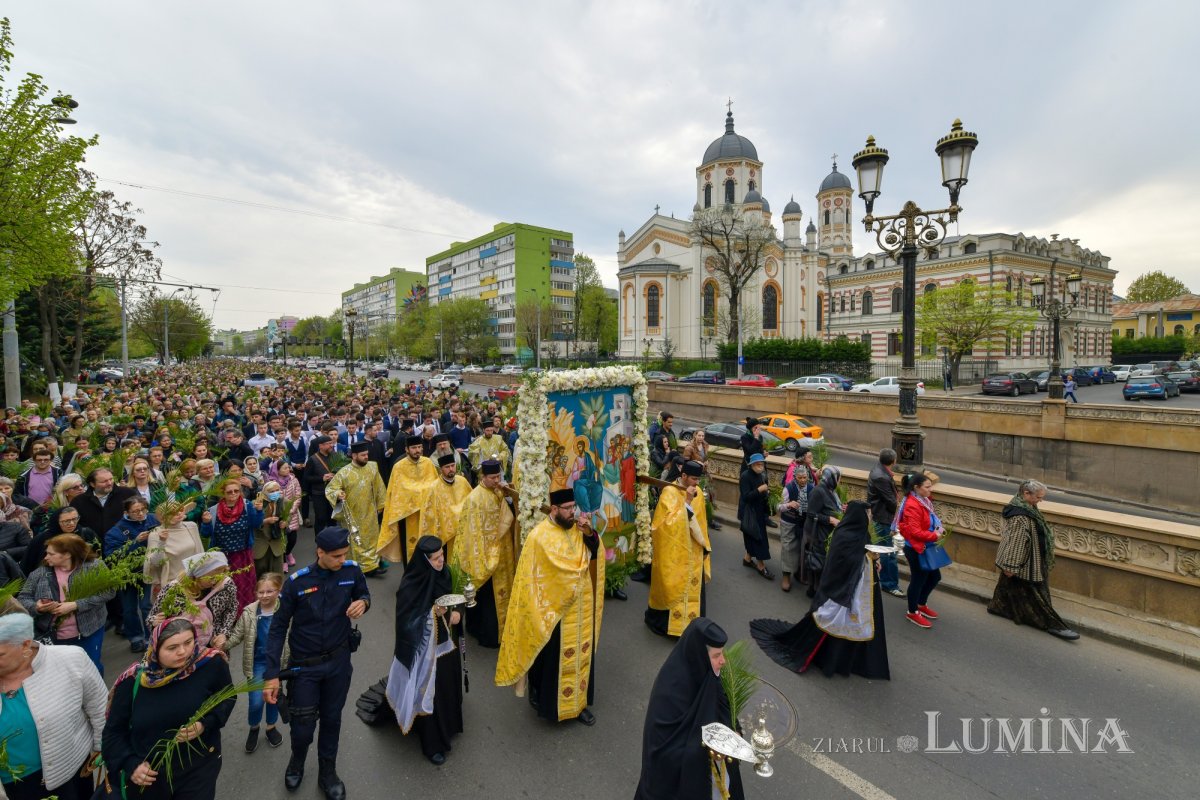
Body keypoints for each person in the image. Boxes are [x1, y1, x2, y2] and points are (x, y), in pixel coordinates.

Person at [263, 526, 370, 800]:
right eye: (336, 556)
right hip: (305, 668)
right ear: (320, 552)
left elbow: (363, 593)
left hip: (338, 663)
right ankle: (297, 761)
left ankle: (328, 773)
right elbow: (277, 628)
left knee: (332, 720)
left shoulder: (351, 571)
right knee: (302, 727)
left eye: (345, 554)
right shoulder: (297, 583)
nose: (342, 560)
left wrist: (363, 603)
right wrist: (271, 674)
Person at [495, 489, 604, 726]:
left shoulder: (578, 529)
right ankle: (553, 707)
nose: (572, 512)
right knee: (553, 660)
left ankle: (579, 705)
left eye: (574, 507)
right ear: (554, 509)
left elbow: (594, 552)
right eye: (568, 508)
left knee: (581, 655)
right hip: (555, 613)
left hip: (581, 608)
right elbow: (530, 581)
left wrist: (590, 533)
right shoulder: (539, 537)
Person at [750, 501, 890, 680]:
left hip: (856, 591)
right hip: (839, 591)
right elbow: (844, 562)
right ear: (859, 515)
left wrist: (874, 560)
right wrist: (867, 557)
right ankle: (828, 659)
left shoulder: (862, 533)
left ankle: (848, 661)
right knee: (832, 624)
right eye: (867, 514)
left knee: (853, 625)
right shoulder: (844, 534)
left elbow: (865, 552)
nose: (870, 517)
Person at [102, 618, 236, 800]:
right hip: (151, 780)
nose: (183, 652)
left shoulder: (210, 664)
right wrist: (131, 764)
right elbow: (113, 733)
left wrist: (205, 724)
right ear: (155, 648)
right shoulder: (134, 682)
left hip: (199, 769)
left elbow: (227, 697)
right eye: (172, 648)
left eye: (188, 642)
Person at [374, 536, 465, 764]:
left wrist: (457, 612)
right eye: (435, 559)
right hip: (423, 651)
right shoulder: (411, 584)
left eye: (442, 555)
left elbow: (456, 597)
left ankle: (450, 723)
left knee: (445, 686)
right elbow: (407, 620)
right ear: (425, 560)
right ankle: (432, 742)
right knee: (427, 690)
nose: (441, 561)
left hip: (446, 643)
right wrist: (433, 613)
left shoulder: (446, 573)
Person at [0, 612, 108, 800]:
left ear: (25, 645)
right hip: (12, 786)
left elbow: (101, 708)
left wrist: (104, 752)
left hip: (71, 774)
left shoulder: (70, 659)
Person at [635, 618, 743, 800]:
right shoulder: (668, 692)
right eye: (716, 656)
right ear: (699, 655)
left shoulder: (708, 674)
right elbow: (664, 752)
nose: (723, 661)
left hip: (714, 770)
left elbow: (724, 707)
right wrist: (709, 751)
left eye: (722, 654)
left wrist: (735, 732)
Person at [988, 480, 1080, 641]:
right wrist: (1011, 567)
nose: (1040, 500)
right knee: (1037, 595)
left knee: (1008, 587)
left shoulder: (1025, 506)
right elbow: (1016, 542)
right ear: (1026, 494)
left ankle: (998, 607)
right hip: (1026, 563)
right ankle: (1051, 624)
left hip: (1027, 560)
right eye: (1038, 497)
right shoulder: (1020, 517)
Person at [18, 533, 113, 674]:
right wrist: (36, 607)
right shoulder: (39, 573)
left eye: (51, 554)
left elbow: (108, 592)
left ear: (67, 554)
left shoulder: (94, 567)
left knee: (91, 668)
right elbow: (23, 598)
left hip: (89, 631)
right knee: (64, 673)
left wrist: (76, 605)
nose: (46, 557)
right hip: (54, 637)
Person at [451, 459, 516, 648]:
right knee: (487, 598)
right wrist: (484, 556)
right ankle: (488, 635)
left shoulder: (499, 491)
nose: (496, 480)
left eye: (498, 476)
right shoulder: (475, 499)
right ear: (483, 477)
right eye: (493, 477)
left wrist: (508, 496)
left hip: (502, 552)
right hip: (485, 555)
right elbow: (471, 532)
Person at [225, 572, 290, 753]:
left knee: (273, 697)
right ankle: (254, 727)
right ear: (255, 593)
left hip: (277, 663)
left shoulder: (286, 610)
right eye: (261, 592)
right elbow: (237, 635)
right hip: (257, 663)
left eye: (270, 591)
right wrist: (222, 646)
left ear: (279, 590)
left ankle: (270, 727)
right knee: (255, 701)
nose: (265, 595)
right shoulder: (249, 612)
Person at [645, 461, 710, 638]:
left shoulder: (698, 494)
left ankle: (692, 627)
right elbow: (662, 525)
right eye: (694, 479)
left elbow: (701, 523)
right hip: (673, 552)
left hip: (694, 550)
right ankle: (665, 626)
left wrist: (705, 546)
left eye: (698, 479)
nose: (697, 483)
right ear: (683, 476)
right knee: (672, 585)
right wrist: (686, 502)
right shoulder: (669, 492)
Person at [148, 551, 239, 650]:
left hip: (212, 646)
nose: (215, 581)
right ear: (197, 576)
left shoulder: (225, 585)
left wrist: (223, 633)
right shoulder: (173, 590)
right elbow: (152, 617)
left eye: (220, 576)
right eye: (211, 577)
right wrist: (154, 622)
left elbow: (231, 609)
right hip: (180, 648)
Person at [104, 496, 159, 653]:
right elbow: (111, 556)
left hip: (148, 571)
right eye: (135, 511)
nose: (140, 514)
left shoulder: (154, 519)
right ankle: (135, 638)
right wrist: (135, 542)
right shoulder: (116, 531)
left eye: (143, 510)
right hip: (128, 576)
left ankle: (151, 638)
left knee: (147, 605)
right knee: (129, 609)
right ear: (126, 512)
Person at [200, 479, 264, 612]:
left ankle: (246, 614)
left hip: (243, 555)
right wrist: (206, 523)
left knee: (244, 588)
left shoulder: (247, 506)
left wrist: (259, 511)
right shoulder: (213, 510)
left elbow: (256, 524)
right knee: (223, 588)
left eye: (236, 491)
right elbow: (206, 534)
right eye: (229, 492)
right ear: (223, 493)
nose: (233, 494)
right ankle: (226, 616)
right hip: (222, 559)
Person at [326, 441, 388, 576]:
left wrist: (381, 505)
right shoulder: (344, 472)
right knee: (356, 540)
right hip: (352, 513)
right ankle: (358, 567)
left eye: (367, 454)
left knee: (372, 538)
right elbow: (331, 489)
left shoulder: (372, 467)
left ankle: (372, 565)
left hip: (370, 510)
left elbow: (379, 486)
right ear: (354, 456)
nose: (366, 457)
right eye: (363, 455)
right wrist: (338, 494)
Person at [895, 471, 944, 629]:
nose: (931, 489)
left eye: (931, 486)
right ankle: (912, 611)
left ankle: (921, 604)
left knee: (934, 576)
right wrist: (934, 535)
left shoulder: (923, 500)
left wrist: (937, 530)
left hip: (925, 545)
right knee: (918, 579)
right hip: (916, 548)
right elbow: (915, 532)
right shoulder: (912, 504)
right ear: (916, 487)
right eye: (927, 487)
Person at [381, 435, 437, 568]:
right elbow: (396, 491)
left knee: (428, 544)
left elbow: (435, 485)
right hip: (407, 515)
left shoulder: (428, 463)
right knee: (410, 547)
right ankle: (410, 575)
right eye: (414, 448)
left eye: (419, 447)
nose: (417, 450)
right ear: (407, 449)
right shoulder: (399, 467)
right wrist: (421, 492)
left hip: (426, 514)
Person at [144, 500, 205, 601]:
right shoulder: (156, 534)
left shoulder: (191, 526)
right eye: (172, 513)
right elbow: (155, 563)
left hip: (192, 581)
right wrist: (162, 542)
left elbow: (200, 553)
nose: (179, 514)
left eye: (180, 510)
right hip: (172, 585)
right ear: (163, 518)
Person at [415, 453, 471, 561]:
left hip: (463, 530)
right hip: (445, 535)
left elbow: (471, 502)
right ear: (441, 469)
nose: (451, 469)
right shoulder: (433, 488)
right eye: (447, 467)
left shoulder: (462, 481)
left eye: (452, 465)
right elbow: (428, 516)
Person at [866, 448, 904, 597]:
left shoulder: (878, 470)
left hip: (882, 517)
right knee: (888, 553)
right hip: (884, 519)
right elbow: (891, 501)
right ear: (893, 461)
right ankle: (889, 585)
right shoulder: (881, 476)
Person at [802, 466, 843, 598]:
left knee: (821, 561)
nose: (839, 481)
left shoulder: (831, 490)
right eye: (838, 478)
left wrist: (841, 509)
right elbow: (810, 513)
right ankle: (813, 589)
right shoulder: (818, 491)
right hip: (817, 534)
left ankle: (817, 589)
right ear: (831, 478)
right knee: (817, 561)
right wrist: (830, 519)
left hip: (825, 533)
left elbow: (832, 507)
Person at [22, 505, 99, 575]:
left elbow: (97, 555)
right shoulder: (42, 539)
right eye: (66, 521)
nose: (72, 523)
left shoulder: (86, 533)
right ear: (57, 521)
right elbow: (28, 565)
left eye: (75, 519)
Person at [738, 453, 772, 579]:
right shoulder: (745, 476)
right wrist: (760, 490)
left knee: (752, 537)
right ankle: (761, 566)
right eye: (758, 464)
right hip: (749, 512)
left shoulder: (761, 475)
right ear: (751, 465)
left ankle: (747, 559)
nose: (760, 466)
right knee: (757, 538)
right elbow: (746, 497)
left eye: (761, 464)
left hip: (759, 512)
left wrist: (766, 492)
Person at [778, 462, 811, 593]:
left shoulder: (811, 488)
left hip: (803, 524)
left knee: (801, 549)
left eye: (805, 477)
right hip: (788, 522)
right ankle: (786, 576)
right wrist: (788, 505)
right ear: (795, 477)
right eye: (800, 478)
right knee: (787, 548)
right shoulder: (788, 489)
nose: (802, 480)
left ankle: (798, 572)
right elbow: (778, 506)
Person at [303, 435, 337, 534]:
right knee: (320, 518)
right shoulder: (313, 459)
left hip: (333, 493)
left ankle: (333, 540)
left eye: (331, 443)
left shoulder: (335, 456)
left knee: (333, 518)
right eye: (328, 444)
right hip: (319, 494)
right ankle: (319, 540)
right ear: (321, 446)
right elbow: (307, 477)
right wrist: (322, 478)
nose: (331, 445)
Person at [253, 481, 288, 576]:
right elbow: (251, 523)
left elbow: (288, 517)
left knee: (277, 575)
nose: (275, 493)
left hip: (276, 544)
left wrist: (285, 523)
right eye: (271, 491)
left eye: (277, 490)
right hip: (260, 546)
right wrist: (265, 521)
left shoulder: (283, 501)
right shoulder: (256, 503)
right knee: (260, 575)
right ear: (265, 492)